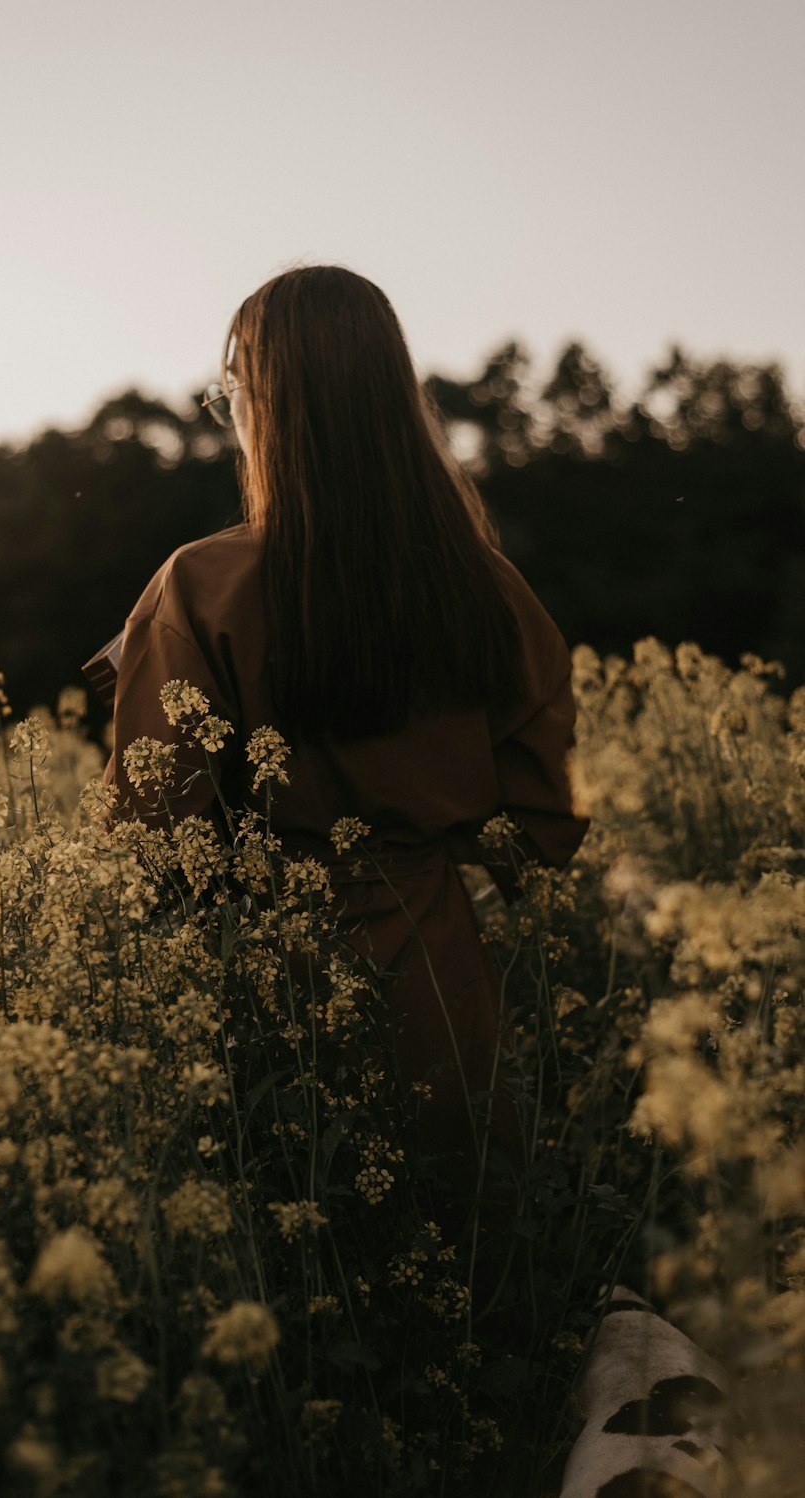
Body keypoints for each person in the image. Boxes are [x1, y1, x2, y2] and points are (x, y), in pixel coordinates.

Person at [102, 264, 588, 1200]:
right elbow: (540, 827)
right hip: (444, 997)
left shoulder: (201, 587)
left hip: (269, 1008)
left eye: (230, 394)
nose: (228, 417)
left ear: (269, 408)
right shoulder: (491, 591)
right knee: (466, 1290)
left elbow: (153, 849)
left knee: (311, 1307)